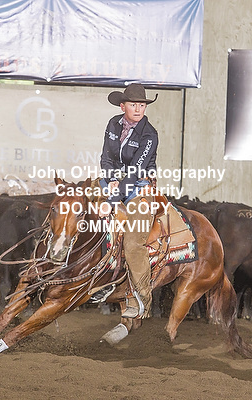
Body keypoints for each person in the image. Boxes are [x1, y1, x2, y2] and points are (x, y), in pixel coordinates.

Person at [99, 83, 159, 319]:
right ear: (122, 106)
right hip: (114, 181)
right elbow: (106, 157)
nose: (138, 109)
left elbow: (135, 172)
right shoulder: (113, 124)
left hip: (139, 187)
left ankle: (143, 298)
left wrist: (112, 199)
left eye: (142, 105)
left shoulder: (149, 134)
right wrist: (111, 179)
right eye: (133, 105)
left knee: (134, 243)